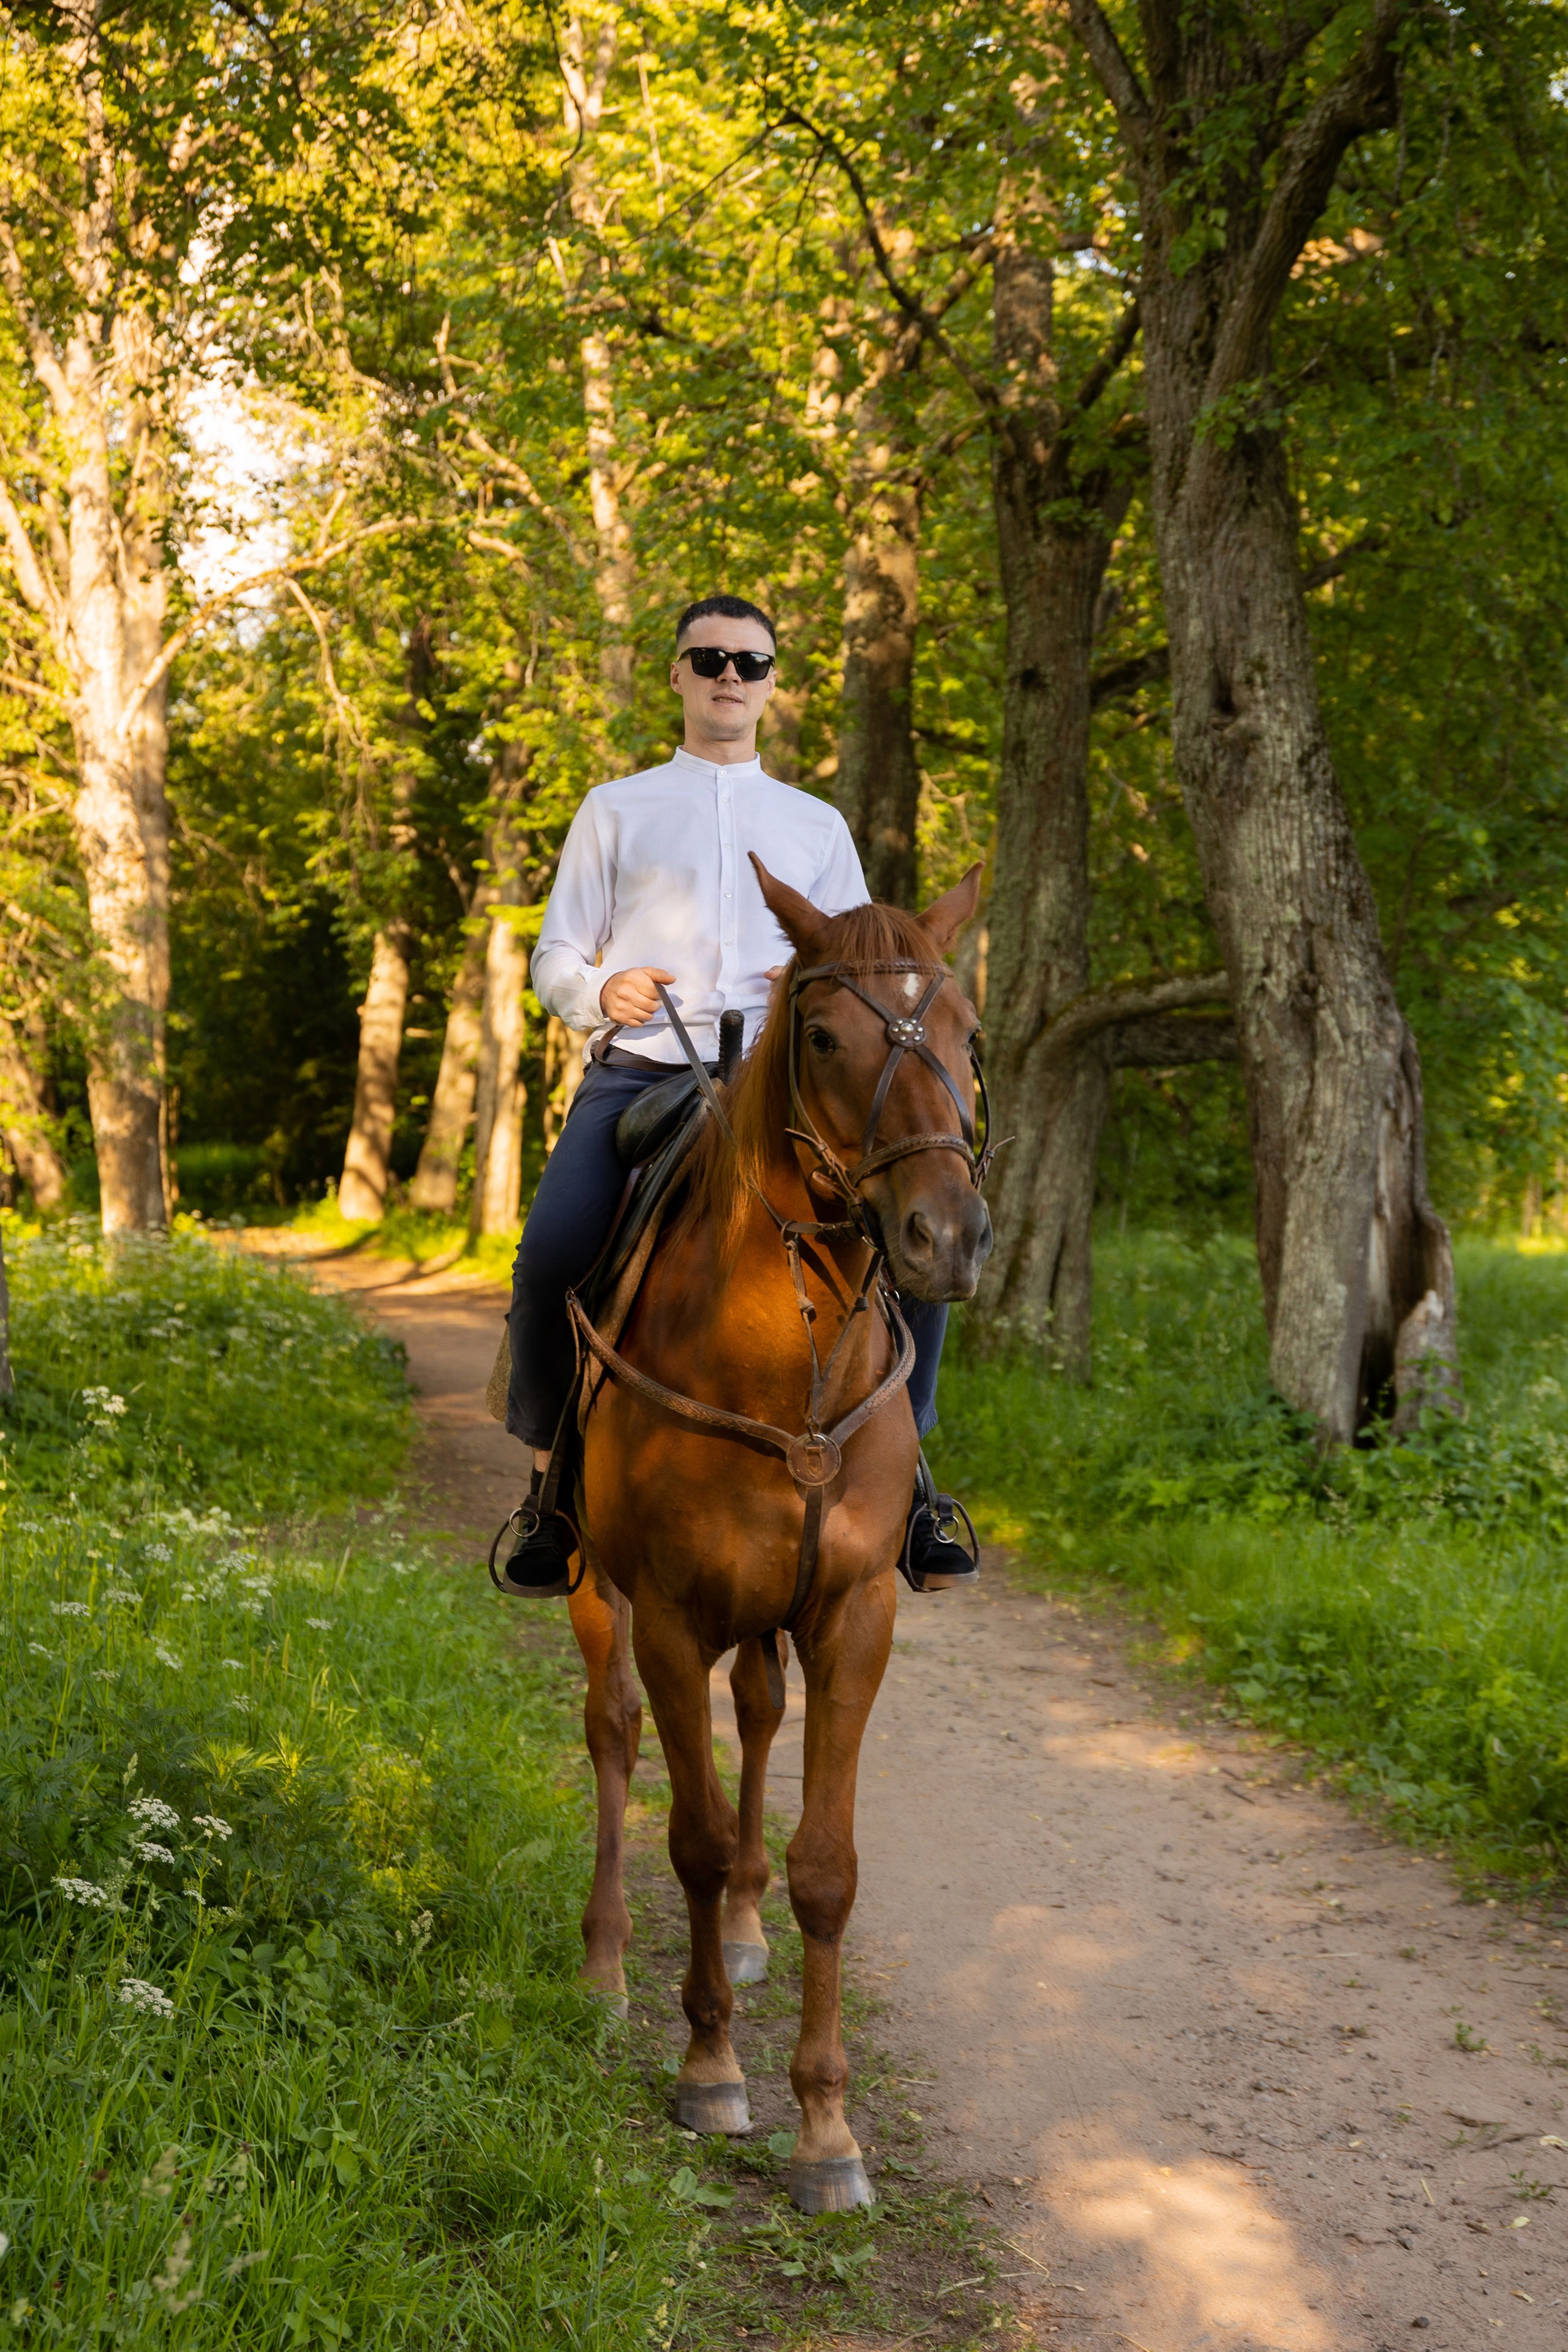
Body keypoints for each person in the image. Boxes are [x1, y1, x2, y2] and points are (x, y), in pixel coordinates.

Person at [498, 591, 976, 1596]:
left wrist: (813, 994)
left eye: (750, 664)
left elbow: (854, 961)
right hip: (645, 1071)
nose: (729, 677)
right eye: (709, 659)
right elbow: (551, 955)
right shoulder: (615, 808)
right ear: (677, 675)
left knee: (915, 1235)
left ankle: (918, 1485)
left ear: (770, 686)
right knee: (549, 1258)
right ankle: (548, 1492)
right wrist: (598, 989)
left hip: (786, 1085)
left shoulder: (814, 822)